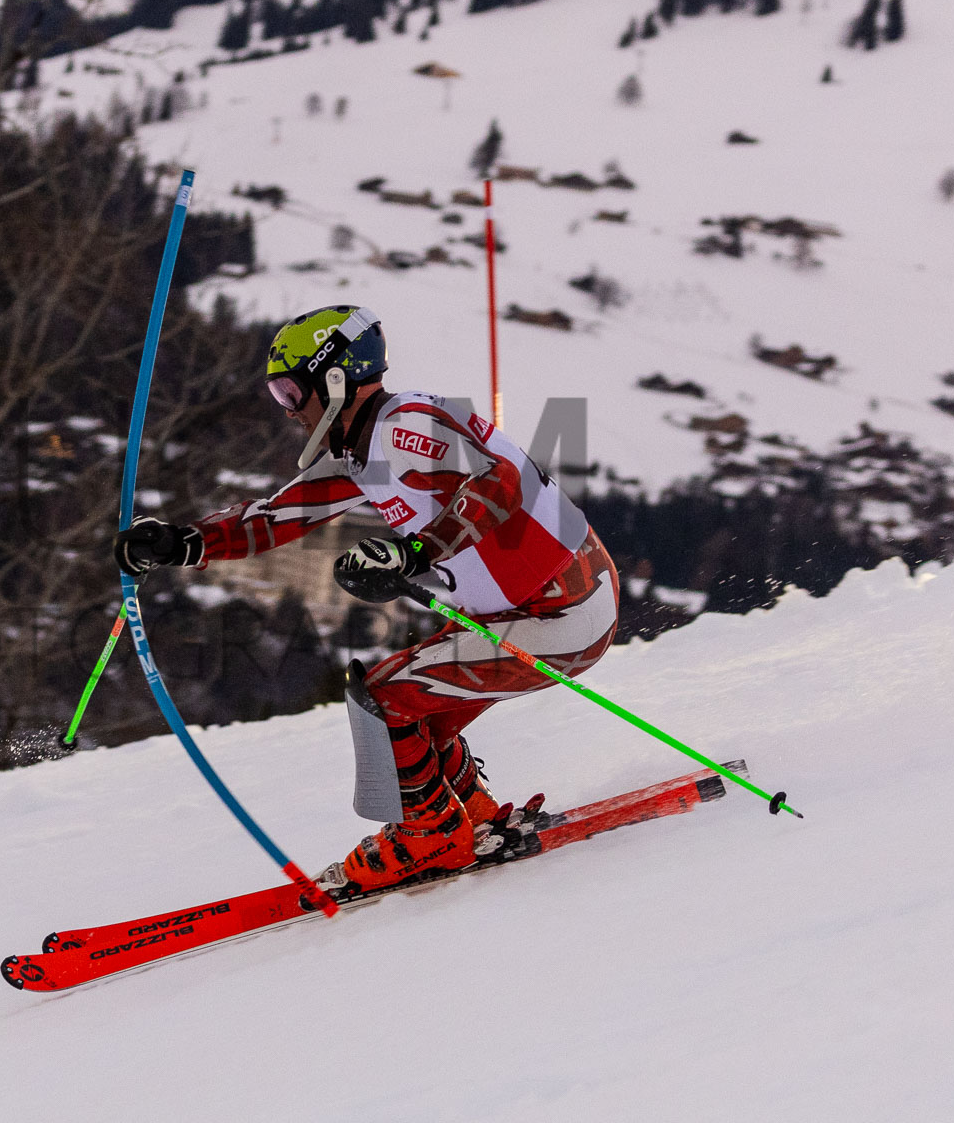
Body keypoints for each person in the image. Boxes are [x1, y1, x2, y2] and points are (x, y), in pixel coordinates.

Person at [113, 305, 619, 895]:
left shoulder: (406, 425)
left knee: (383, 698)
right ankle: (466, 815)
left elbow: (498, 482)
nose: (288, 410)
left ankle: (429, 835)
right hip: (532, 611)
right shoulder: (361, 451)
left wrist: (414, 553)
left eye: (290, 391)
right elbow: (276, 518)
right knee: (413, 709)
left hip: (561, 611)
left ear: (334, 379)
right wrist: (181, 543)